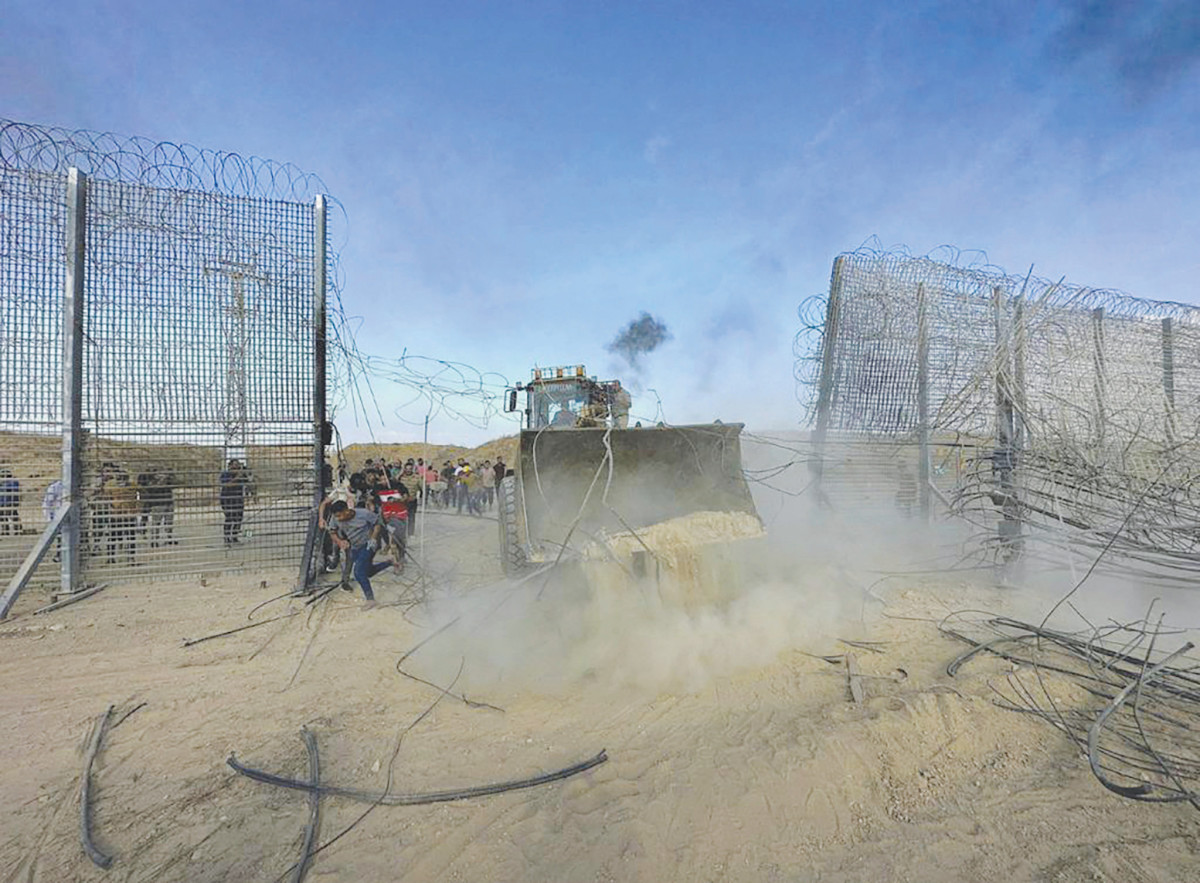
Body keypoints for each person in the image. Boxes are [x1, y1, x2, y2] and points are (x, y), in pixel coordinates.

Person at [328, 500, 392, 609]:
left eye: (339, 515)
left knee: (358, 572)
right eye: (336, 516)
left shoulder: (364, 513)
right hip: (355, 547)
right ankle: (391, 562)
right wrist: (340, 541)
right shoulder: (335, 518)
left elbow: (377, 523)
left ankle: (370, 600)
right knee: (368, 572)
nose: (338, 519)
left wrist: (373, 537)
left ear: (346, 511)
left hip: (368, 545)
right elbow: (332, 532)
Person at [219, 459, 251, 544]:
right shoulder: (225, 474)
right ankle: (227, 538)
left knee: (238, 518)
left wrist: (245, 474)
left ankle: (234, 537)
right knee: (229, 518)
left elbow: (248, 482)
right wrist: (237, 477)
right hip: (227, 499)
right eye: (235, 465)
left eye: (238, 465)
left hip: (238, 499)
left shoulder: (240, 475)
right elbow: (226, 484)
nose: (236, 467)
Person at [42, 478, 63, 561]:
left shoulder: (78, 485)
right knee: (61, 538)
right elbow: (47, 503)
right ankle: (59, 555)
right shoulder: (55, 487)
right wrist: (49, 518)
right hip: (59, 516)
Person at [0, 468, 20, 536]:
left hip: (9, 502)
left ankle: (17, 530)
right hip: (4, 502)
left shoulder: (12, 482)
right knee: (3, 517)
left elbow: (11, 488)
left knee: (12, 516)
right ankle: (6, 530)